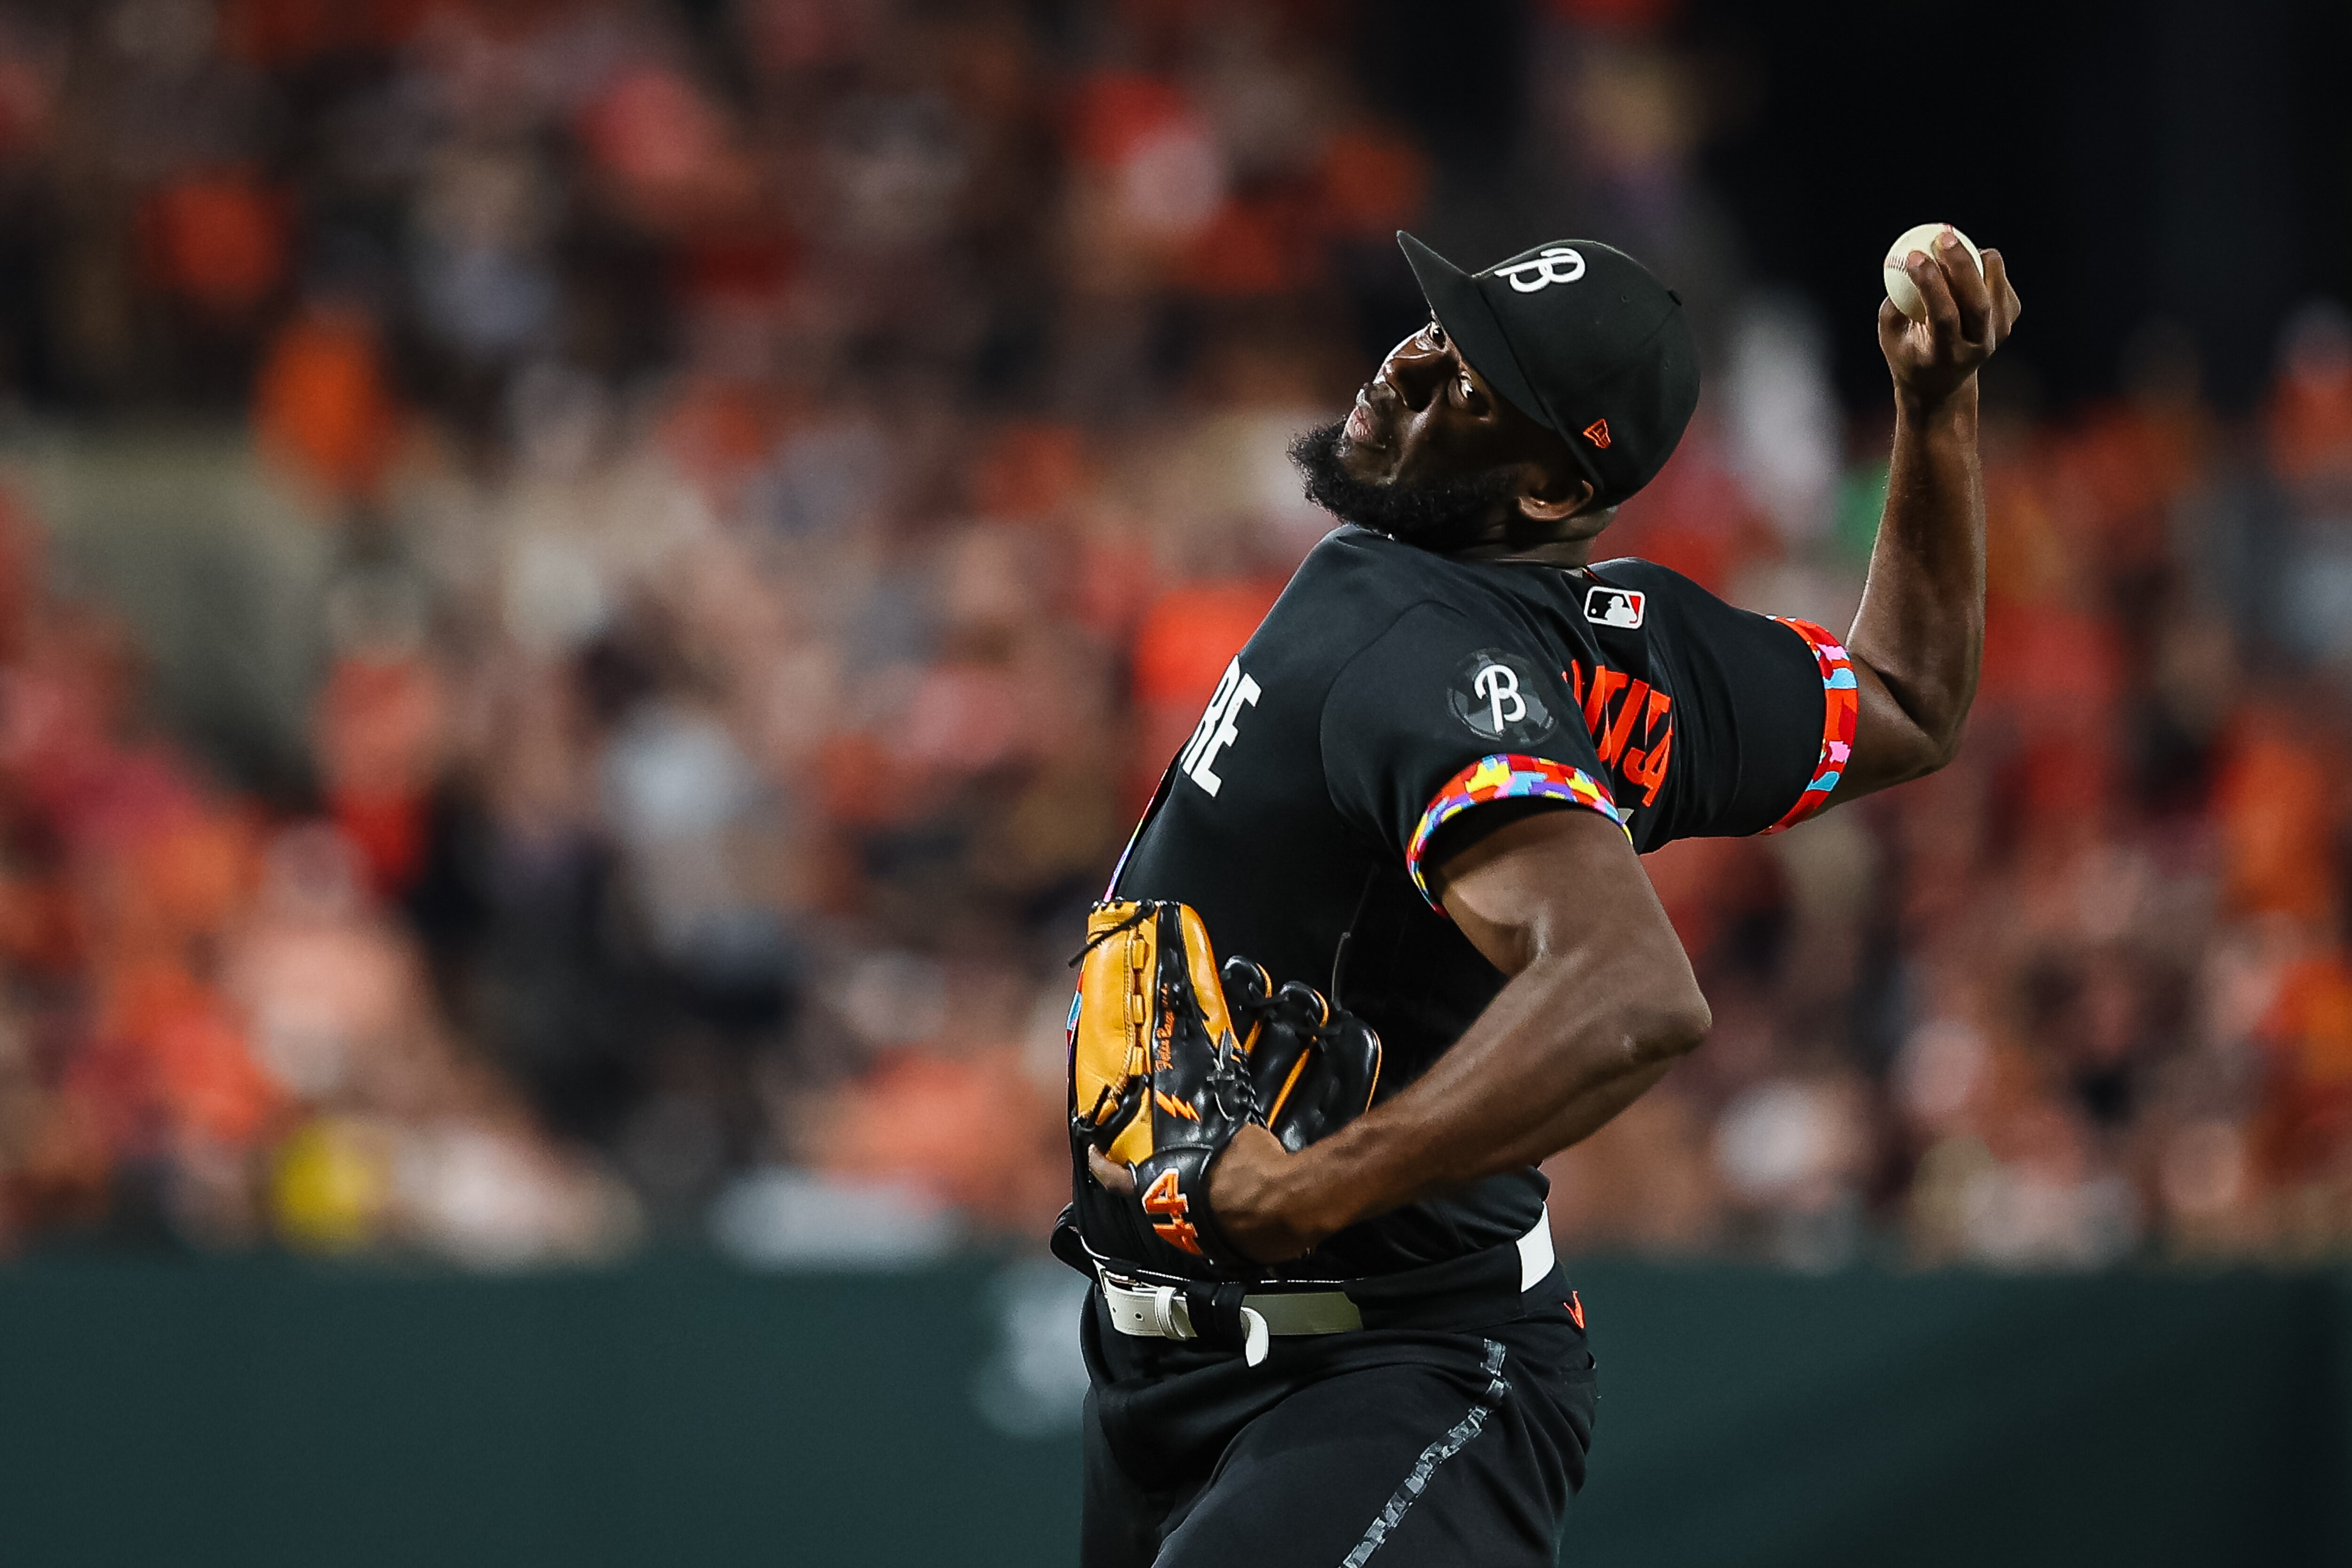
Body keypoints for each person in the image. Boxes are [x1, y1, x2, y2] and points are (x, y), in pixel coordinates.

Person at [1067, 227, 2020, 1566]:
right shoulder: (1609, 648)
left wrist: (1310, 1195)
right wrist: (1938, 406)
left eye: (1471, 381)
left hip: (1388, 1373)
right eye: (1443, 329)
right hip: (1196, 1375)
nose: (1411, 362)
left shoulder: (1421, 649)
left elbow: (1629, 989)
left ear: (1543, 486)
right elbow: (1910, 698)